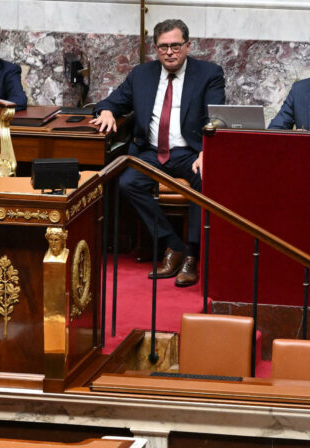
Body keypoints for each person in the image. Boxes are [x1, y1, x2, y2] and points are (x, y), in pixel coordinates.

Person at [92, 19, 225, 288]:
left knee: (207, 181)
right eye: (163, 47)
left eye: (176, 45)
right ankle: (173, 244)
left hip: (190, 152)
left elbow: (218, 118)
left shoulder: (209, 73)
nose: (170, 52)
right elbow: (111, 102)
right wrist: (106, 111)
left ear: (188, 45)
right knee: (128, 182)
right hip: (151, 152)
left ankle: (192, 255)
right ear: (155, 48)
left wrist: (207, 152)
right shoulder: (142, 74)